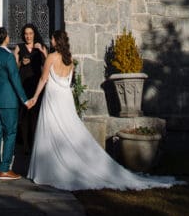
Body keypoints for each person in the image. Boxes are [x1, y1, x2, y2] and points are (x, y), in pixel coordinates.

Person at [26, 30, 178, 191]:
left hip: (53, 98)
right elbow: (68, 82)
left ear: (56, 40)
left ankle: (51, 169)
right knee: (70, 131)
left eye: (52, 39)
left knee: (52, 131)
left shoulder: (52, 57)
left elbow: (44, 78)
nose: (51, 41)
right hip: (65, 97)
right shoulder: (69, 59)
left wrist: (35, 97)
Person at [0, 26, 31, 180]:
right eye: (8, 35)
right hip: (9, 101)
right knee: (10, 133)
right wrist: (25, 99)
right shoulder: (9, 57)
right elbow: (15, 79)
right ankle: (5, 169)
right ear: (5, 38)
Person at [16, 22, 47, 152]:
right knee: (23, 115)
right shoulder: (19, 47)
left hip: (36, 85)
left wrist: (41, 50)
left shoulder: (40, 46)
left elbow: (47, 64)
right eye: (26, 34)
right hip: (23, 84)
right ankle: (25, 147)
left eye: (30, 33)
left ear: (34, 34)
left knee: (35, 115)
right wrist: (21, 63)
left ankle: (35, 145)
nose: (28, 36)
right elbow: (13, 68)